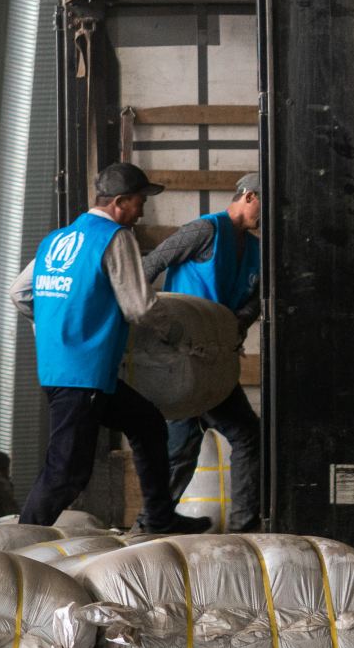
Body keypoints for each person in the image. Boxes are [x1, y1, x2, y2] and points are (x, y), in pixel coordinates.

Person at [13, 160, 208, 533]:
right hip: (84, 372)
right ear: (120, 202)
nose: (143, 209)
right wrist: (178, 333)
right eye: (139, 201)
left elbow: (20, 293)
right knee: (67, 472)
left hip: (68, 369)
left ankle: (159, 518)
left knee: (147, 423)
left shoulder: (57, 239)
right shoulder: (115, 238)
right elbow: (139, 306)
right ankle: (22, 541)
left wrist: (54, 327)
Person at [144, 171, 262, 531]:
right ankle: (152, 522)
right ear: (248, 196)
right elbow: (151, 265)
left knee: (237, 437)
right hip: (184, 358)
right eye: (264, 205)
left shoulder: (257, 249)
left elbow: (255, 300)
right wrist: (141, 319)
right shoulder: (204, 231)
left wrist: (239, 321)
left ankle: (241, 526)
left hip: (216, 359)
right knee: (191, 442)